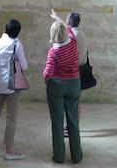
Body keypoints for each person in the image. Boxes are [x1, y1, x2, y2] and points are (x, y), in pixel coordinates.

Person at [0, 19, 28, 160]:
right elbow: (24, 66)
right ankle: (9, 149)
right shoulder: (16, 44)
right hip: (12, 85)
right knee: (11, 116)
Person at [44, 21, 83, 164]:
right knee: (73, 121)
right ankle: (77, 156)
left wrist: (46, 80)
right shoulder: (73, 42)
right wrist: (58, 18)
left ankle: (59, 157)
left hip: (57, 87)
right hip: (74, 84)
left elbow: (47, 73)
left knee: (57, 122)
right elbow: (69, 29)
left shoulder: (53, 52)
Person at [50, 9, 88, 134]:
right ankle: (73, 127)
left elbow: (64, 28)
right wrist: (56, 17)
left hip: (74, 72)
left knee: (73, 103)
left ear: (69, 21)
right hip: (81, 69)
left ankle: (72, 128)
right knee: (76, 101)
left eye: (66, 18)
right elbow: (65, 26)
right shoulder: (81, 34)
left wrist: (56, 17)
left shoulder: (72, 35)